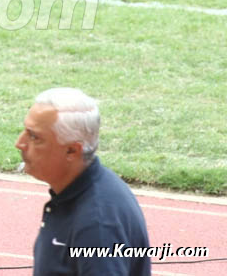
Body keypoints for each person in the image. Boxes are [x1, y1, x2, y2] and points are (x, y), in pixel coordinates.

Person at [15, 88, 151, 276]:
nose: (20, 143)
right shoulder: (76, 194)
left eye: (34, 137)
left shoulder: (97, 223)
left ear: (72, 151)